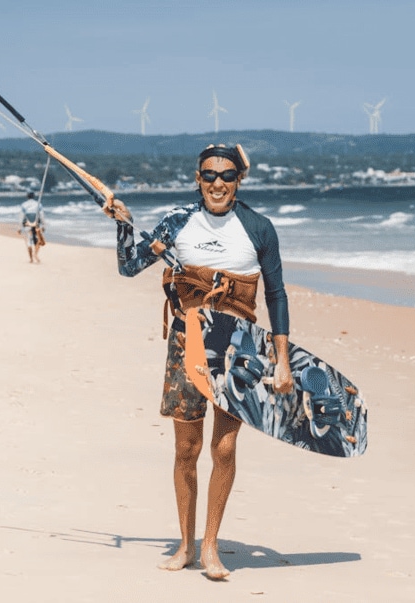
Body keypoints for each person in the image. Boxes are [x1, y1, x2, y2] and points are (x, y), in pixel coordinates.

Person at [102, 144, 293, 580]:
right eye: (209, 175)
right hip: (186, 345)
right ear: (197, 177)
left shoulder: (259, 228)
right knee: (185, 449)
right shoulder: (176, 223)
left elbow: (277, 295)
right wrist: (124, 225)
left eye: (226, 175)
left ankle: (211, 547)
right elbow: (131, 267)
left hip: (238, 349)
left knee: (224, 448)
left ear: (239, 179)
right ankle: (185, 545)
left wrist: (282, 359)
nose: (218, 183)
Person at [19, 191, 45, 263]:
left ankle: (31, 259)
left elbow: (21, 217)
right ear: (34, 196)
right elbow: (42, 215)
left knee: (29, 240)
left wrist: (20, 228)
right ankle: (35, 254)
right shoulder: (38, 204)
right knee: (38, 240)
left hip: (27, 224)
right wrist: (43, 225)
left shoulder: (24, 205)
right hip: (36, 224)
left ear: (27, 197)